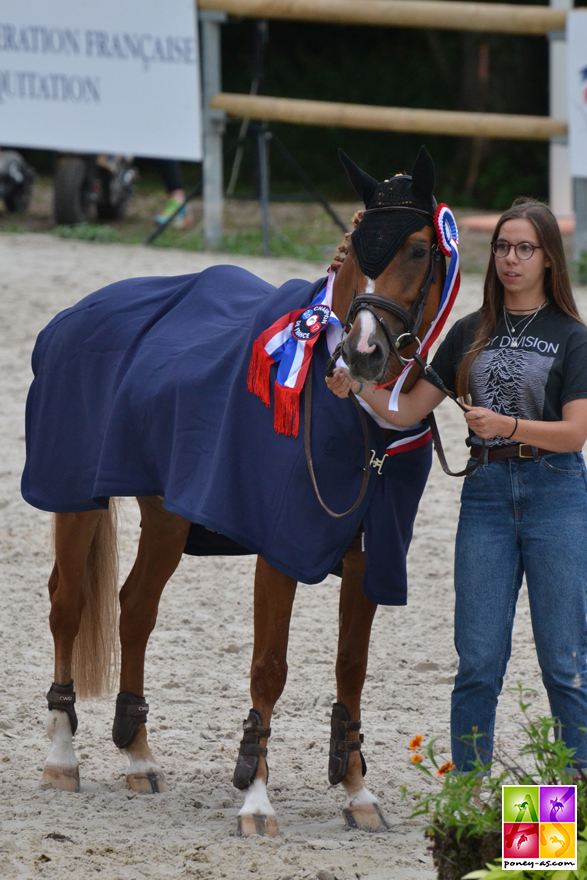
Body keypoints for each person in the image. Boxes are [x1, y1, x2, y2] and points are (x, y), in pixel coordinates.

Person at [326, 198, 587, 772]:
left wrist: (508, 425)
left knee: (564, 665)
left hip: (556, 495)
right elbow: (407, 409)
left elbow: (574, 434)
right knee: (477, 663)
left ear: (549, 259)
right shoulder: (471, 331)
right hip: (487, 496)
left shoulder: (572, 336)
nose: (510, 259)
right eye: (502, 247)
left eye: (524, 248)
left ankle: (566, 822)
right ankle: (470, 804)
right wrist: (358, 387)